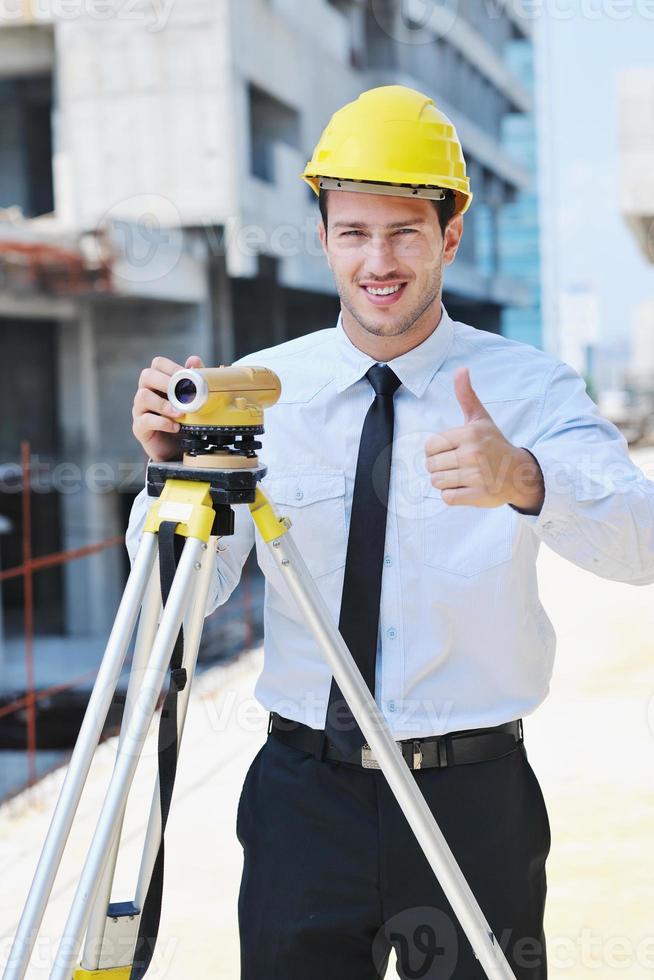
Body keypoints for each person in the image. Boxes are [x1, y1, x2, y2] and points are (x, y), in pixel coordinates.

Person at [127, 86, 654, 979]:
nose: (379, 260)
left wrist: (525, 478)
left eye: (405, 231)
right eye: (353, 232)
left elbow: (641, 542)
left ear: (449, 236)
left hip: (473, 796)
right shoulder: (257, 391)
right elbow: (168, 610)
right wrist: (172, 481)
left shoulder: (528, 388)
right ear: (325, 237)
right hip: (304, 799)